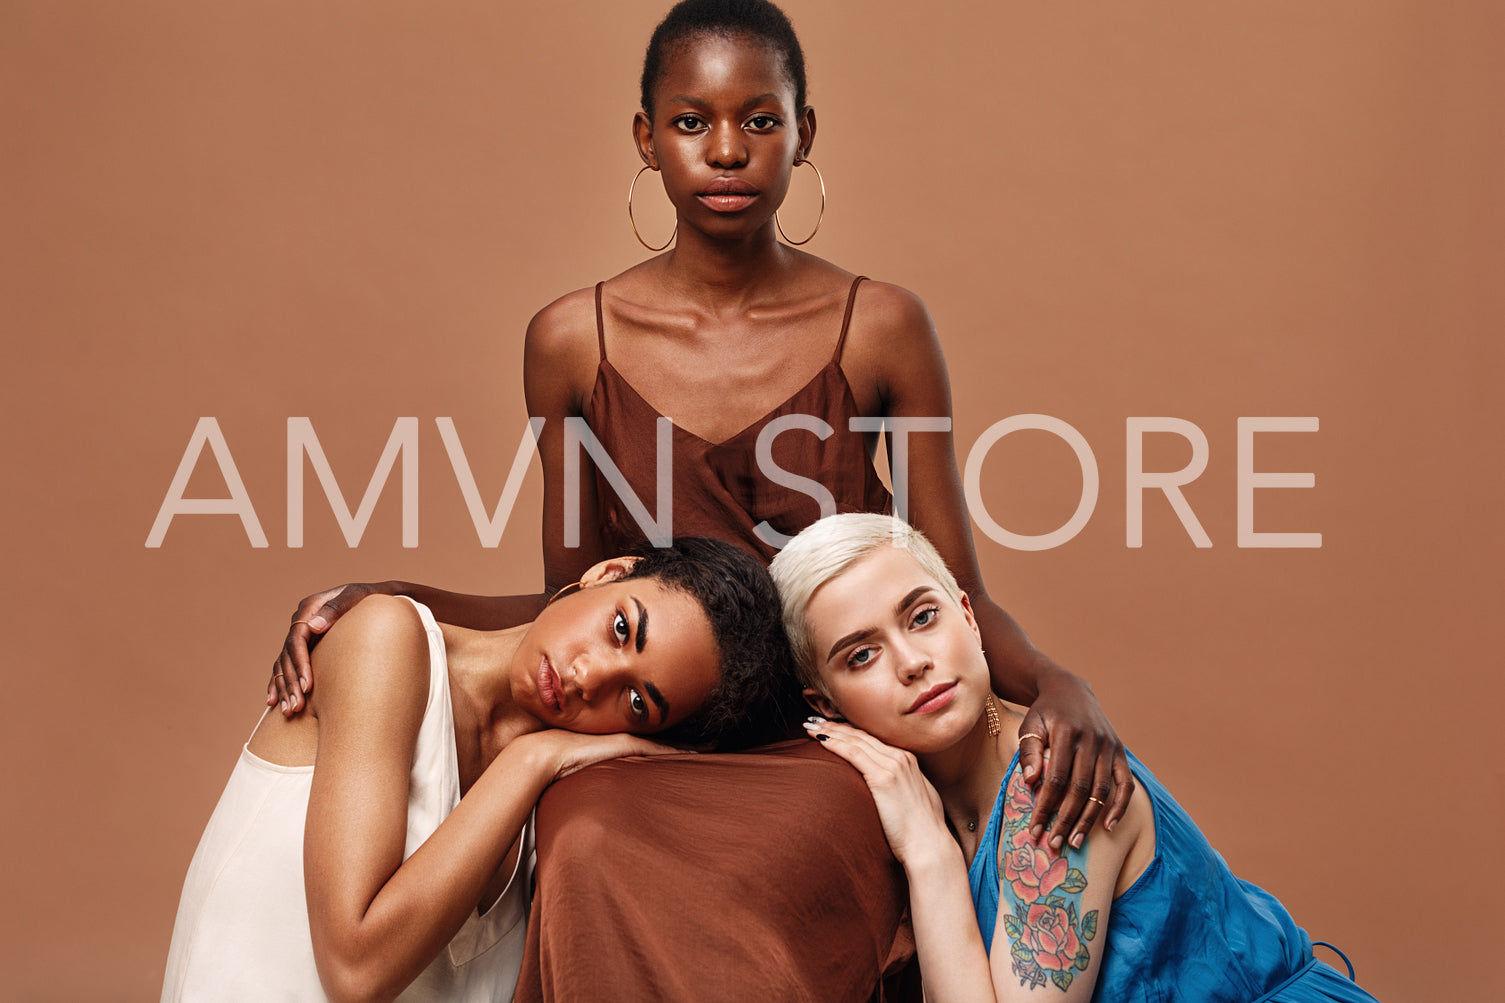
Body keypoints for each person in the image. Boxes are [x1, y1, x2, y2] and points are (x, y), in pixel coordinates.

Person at [265, 1, 1133, 996]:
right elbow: (572, 601)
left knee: (784, 849)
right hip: (651, 727)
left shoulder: (881, 327)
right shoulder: (568, 342)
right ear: (646, 137)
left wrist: (1065, 685)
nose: (725, 150)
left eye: (759, 121)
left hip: (820, 740)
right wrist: (388, 600)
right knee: (585, 838)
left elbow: (952, 582)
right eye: (690, 123)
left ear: (802, 132)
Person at [771, 513, 1381, 1003]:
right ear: (826, 706)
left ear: (968, 617)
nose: (911, 662)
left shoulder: (1051, 778)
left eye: (923, 617)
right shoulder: (893, 792)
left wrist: (930, 857)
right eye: (861, 656)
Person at [161, 538, 789, 1002]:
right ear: (606, 572)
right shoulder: (386, 640)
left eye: (635, 701)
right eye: (621, 628)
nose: (587, 676)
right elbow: (355, 969)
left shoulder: (572, 800)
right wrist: (531, 758)